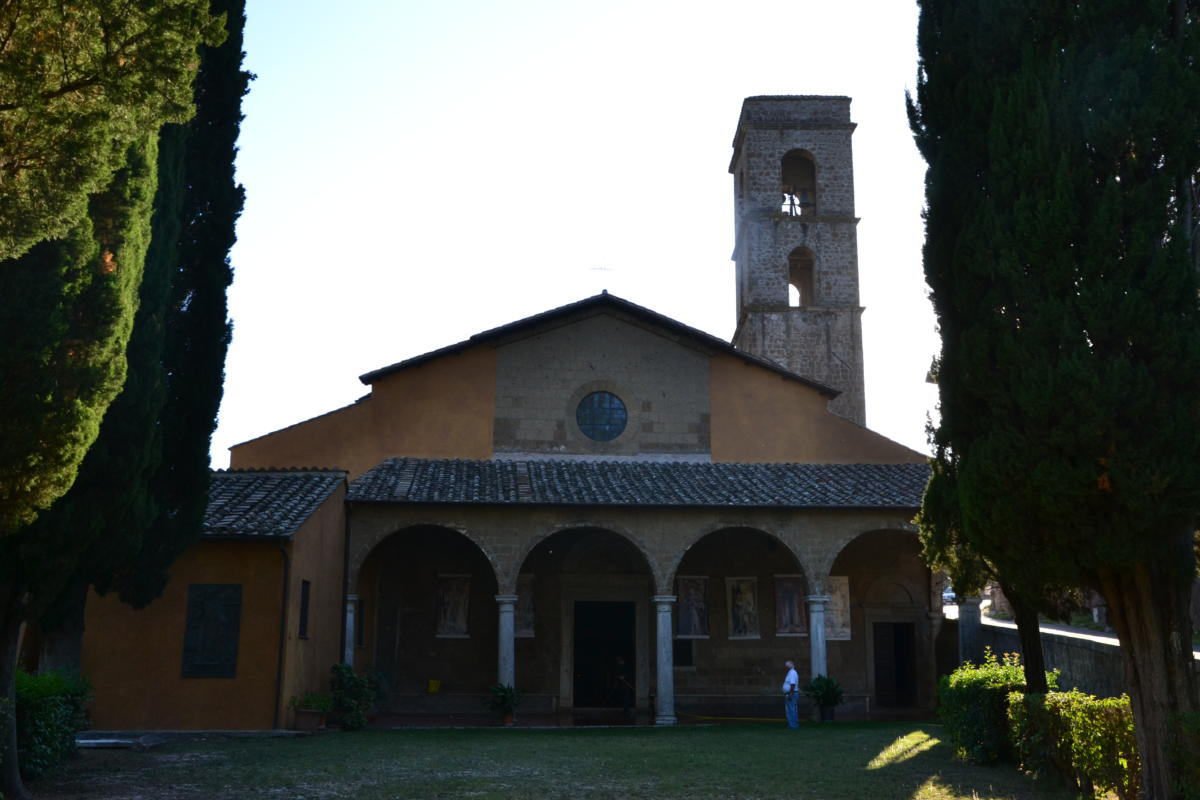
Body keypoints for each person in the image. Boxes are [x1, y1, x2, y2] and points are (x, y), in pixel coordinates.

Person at [781, 659, 799, 729]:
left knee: (792, 710)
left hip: (791, 694)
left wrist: (790, 694)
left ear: (790, 666)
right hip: (790, 693)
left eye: (787, 666)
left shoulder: (792, 673)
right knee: (789, 710)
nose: (785, 667)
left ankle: (793, 726)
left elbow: (793, 684)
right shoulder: (790, 673)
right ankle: (791, 725)